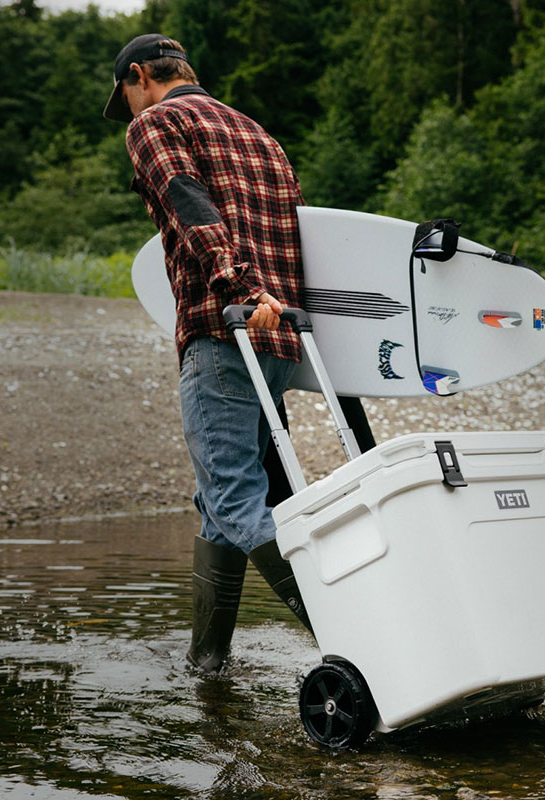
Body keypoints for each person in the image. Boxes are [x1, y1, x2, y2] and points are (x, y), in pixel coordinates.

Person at [103, 34, 375, 673]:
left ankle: (370, 637)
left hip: (225, 329)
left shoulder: (157, 123)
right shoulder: (258, 133)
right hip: (281, 341)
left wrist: (239, 288)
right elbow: (304, 232)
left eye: (128, 98)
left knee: (233, 500)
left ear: (140, 76)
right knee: (217, 505)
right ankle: (208, 663)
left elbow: (190, 208)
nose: (131, 112)